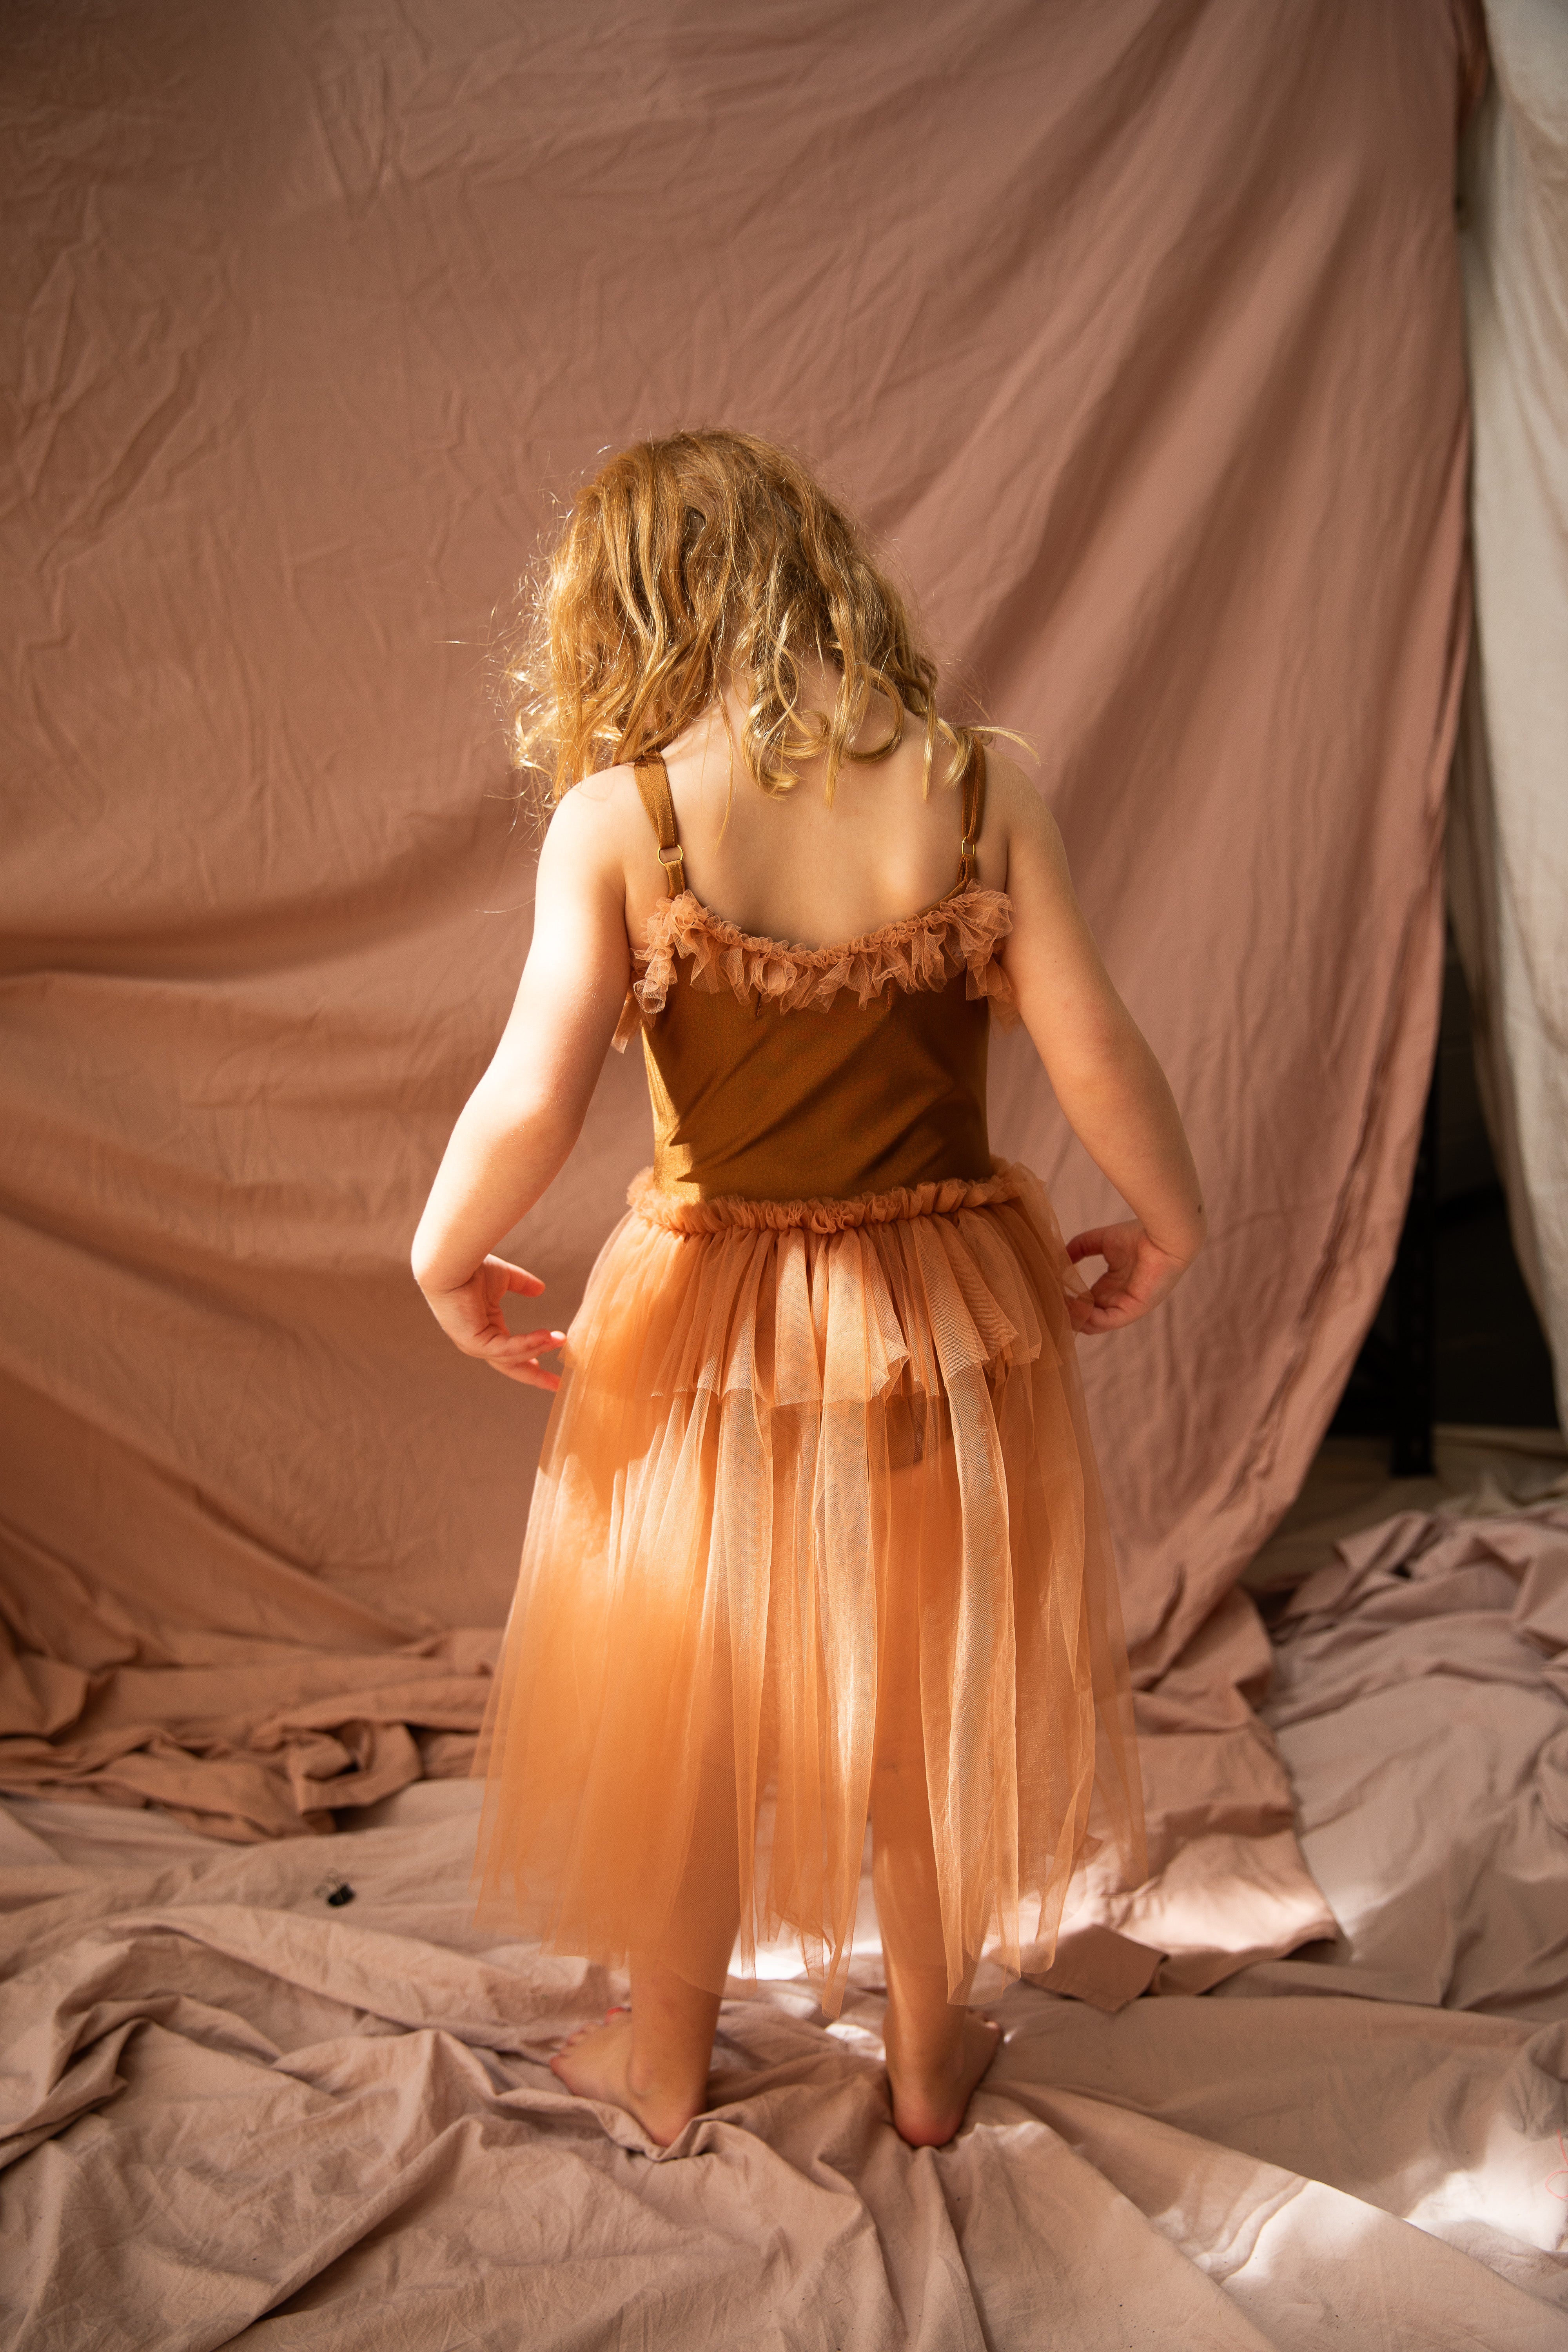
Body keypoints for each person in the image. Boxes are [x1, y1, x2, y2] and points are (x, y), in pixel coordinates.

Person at [411, 429, 1206, 2153]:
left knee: (686, 1695)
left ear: (630, 615)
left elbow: (531, 1091)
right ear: (814, 569)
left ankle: (669, 2060)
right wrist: (1168, 1218)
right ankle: (928, 2064)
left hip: (708, 1321)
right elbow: (1091, 1041)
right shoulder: (979, 781)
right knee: (926, 1692)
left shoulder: (621, 819)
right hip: (943, 1307)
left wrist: (442, 1254)